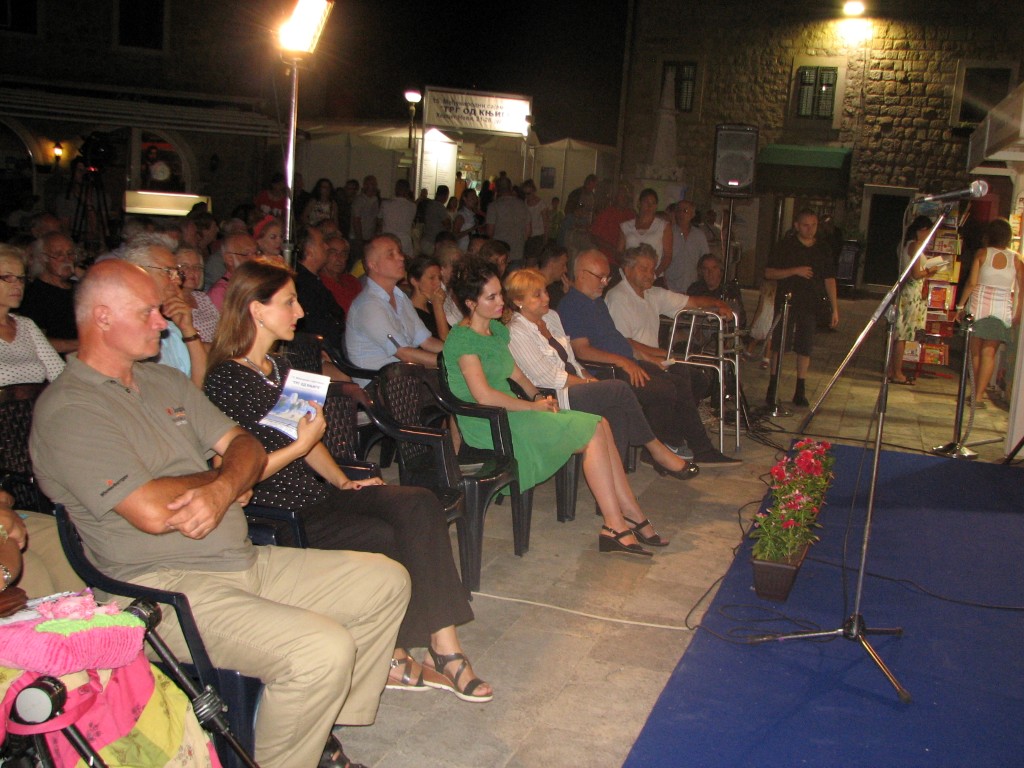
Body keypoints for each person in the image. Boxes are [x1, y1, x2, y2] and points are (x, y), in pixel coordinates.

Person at [29, 259, 410, 768]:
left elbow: (245, 445)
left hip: (238, 557)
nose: (162, 322)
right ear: (102, 317)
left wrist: (225, 485)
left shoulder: (163, 381)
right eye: (147, 312)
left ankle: (314, 730)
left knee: (384, 581)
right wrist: (224, 483)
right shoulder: (70, 410)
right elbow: (151, 509)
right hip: (161, 588)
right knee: (322, 648)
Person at [204, 259, 491, 703]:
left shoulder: (280, 367)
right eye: (289, 303)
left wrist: (341, 482)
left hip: (316, 495)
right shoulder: (226, 380)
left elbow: (308, 440)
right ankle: (393, 653)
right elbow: (237, 471)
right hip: (279, 513)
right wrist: (301, 447)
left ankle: (444, 644)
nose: (300, 312)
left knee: (419, 503)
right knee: (382, 535)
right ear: (256, 310)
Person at [443, 259, 669, 556]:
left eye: (500, 294)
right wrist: (531, 408)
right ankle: (617, 523)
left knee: (600, 423)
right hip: (490, 424)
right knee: (592, 430)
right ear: (471, 303)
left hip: (513, 413)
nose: (501, 302)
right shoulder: (462, 339)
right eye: (492, 297)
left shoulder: (495, 330)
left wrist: (538, 397)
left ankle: (628, 515)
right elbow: (484, 396)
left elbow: (517, 375)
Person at [504, 268, 697, 480]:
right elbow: (548, 377)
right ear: (518, 301)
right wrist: (589, 384)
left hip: (575, 385)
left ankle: (615, 480)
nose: (546, 298)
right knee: (619, 388)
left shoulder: (551, 317)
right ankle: (656, 450)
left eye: (545, 291)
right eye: (537, 295)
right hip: (553, 395)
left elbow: (572, 361)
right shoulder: (516, 331)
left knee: (617, 409)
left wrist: (590, 380)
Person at [559, 249, 739, 466]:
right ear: (581, 274)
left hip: (626, 363)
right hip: (607, 371)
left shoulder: (596, 302)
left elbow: (619, 339)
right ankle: (665, 446)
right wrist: (624, 361)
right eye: (601, 277)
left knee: (680, 380)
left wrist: (644, 356)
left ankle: (696, 447)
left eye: (607, 277)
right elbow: (581, 350)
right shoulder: (573, 305)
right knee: (664, 389)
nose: (605, 282)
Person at [764, 208, 839, 408]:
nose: (810, 229)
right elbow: (769, 272)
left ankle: (800, 388)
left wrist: (834, 307)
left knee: (805, 346)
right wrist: (794, 271)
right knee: (780, 344)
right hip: (787, 301)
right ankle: (773, 386)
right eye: (806, 225)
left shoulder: (822, 248)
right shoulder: (785, 246)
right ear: (797, 226)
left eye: (813, 225)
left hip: (811, 303)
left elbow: (829, 278)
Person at [345, 234, 443, 384]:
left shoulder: (400, 297)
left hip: (405, 379)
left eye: (399, 252)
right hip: (381, 387)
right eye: (391, 254)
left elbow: (427, 341)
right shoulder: (368, 306)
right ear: (373, 265)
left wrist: (462, 354)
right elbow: (404, 354)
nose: (401, 258)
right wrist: (451, 363)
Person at [122, 235, 208, 387]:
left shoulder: (171, 330)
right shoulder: (124, 331)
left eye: (177, 273)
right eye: (169, 272)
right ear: (139, 273)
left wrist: (188, 329)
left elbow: (199, 387)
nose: (178, 281)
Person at [958, 218, 1024, 407]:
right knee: (989, 354)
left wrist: (960, 306)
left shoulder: (982, 253)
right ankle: (979, 396)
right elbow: (1021, 288)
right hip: (1001, 310)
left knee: (975, 353)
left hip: (978, 308)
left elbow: (972, 283)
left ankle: (973, 391)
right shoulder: (1016, 259)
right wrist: (1018, 312)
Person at [0, 244, 64, 385]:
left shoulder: (26, 326)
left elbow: (61, 376)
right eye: (7, 277)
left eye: (21, 278)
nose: (18, 285)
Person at [890, 216, 937, 384]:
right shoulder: (915, 246)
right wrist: (930, 271)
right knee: (902, 335)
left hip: (905, 291)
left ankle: (893, 370)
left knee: (898, 333)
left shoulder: (904, 244)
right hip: (911, 292)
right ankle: (897, 372)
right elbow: (916, 273)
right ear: (922, 230)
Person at [22, 233, 79, 354]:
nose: (67, 259)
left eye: (70, 254)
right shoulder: (34, 295)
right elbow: (35, 342)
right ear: (43, 258)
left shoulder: (80, 288)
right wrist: (83, 344)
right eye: (58, 254)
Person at [292, 226, 346, 351]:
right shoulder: (301, 285)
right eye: (322, 243)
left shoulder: (313, 281)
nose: (327, 247)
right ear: (310, 251)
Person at [617, 188, 672, 279]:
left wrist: (655, 274)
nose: (649, 206)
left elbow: (668, 256)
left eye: (653, 203)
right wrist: (627, 268)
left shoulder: (663, 226)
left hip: (654, 276)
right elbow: (619, 253)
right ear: (639, 204)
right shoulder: (626, 226)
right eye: (646, 202)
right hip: (631, 276)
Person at [176, 245, 220, 344]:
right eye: (185, 266)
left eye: (197, 267)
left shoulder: (202, 297)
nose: (192, 271)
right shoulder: (172, 302)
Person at [665, 200, 710, 294]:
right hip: (670, 287)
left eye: (685, 211)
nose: (681, 214)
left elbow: (705, 260)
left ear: (692, 214)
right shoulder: (668, 233)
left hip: (693, 287)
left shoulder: (699, 235)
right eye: (678, 210)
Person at [485, 176, 530, 267]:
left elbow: (490, 232)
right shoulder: (522, 205)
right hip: (517, 251)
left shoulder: (493, 206)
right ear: (511, 187)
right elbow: (528, 231)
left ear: (497, 189)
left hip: (499, 252)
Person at [408, 256, 450, 341]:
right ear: (415, 281)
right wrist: (437, 306)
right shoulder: (410, 313)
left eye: (439, 278)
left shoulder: (431, 307)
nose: (438, 283)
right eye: (432, 278)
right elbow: (447, 340)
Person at [321, 232, 362, 313]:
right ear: (323, 254)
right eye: (333, 252)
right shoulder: (318, 284)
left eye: (343, 253)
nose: (339, 258)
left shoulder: (352, 281)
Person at [377, 179, 417, 256]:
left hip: (388, 241)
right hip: (405, 242)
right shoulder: (413, 206)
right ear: (408, 191)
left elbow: (379, 221)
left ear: (396, 189)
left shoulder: (385, 204)